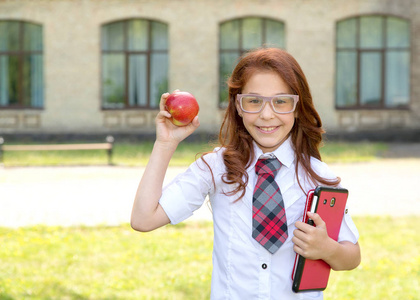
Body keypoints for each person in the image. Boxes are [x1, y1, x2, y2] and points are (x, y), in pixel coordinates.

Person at [131, 48, 361, 299]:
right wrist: (165, 144)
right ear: (238, 106)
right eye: (254, 101)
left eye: (281, 101)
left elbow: (352, 256)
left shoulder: (317, 176)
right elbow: (143, 220)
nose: (266, 114)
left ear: (297, 107)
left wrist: (326, 248)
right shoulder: (215, 167)